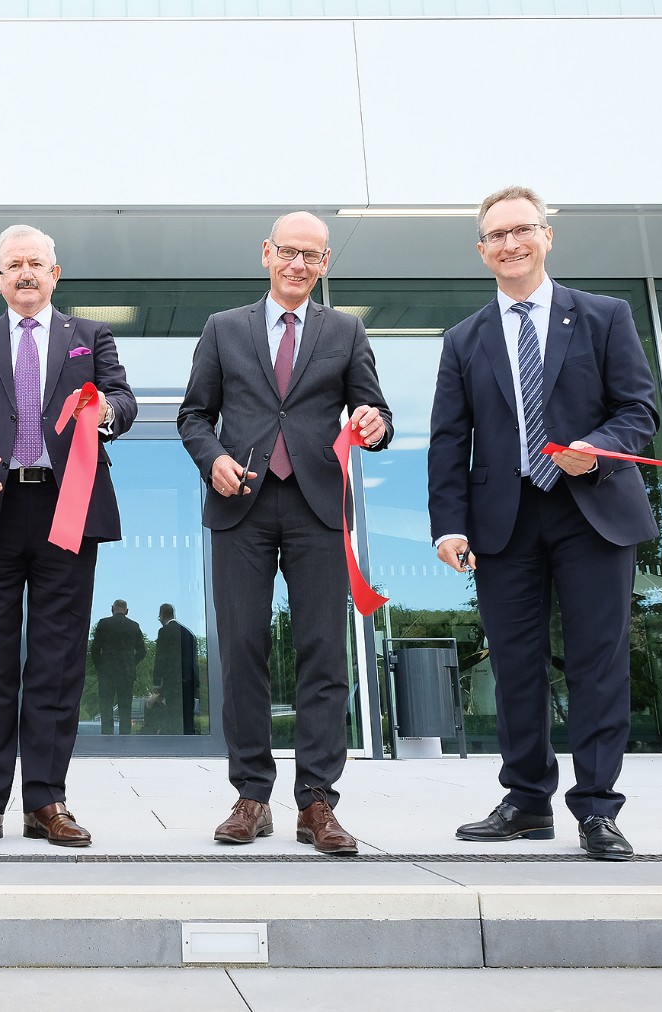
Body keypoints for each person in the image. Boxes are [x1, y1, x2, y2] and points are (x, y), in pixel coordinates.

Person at [428, 186, 659, 861]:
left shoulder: (604, 316)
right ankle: (527, 802)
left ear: (546, 236)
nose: (509, 245)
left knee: (597, 664)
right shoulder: (464, 339)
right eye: (495, 236)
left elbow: (638, 410)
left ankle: (596, 809)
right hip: (506, 521)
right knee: (517, 668)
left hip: (593, 511)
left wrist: (599, 449)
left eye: (520, 231)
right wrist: (449, 525)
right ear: (481, 251)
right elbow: (450, 440)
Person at [178, 211, 391, 854]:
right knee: (240, 649)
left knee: (322, 652)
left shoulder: (347, 330)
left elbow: (373, 407)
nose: (300, 264)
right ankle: (251, 796)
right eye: (290, 252)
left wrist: (375, 424)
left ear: (325, 264)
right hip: (239, 502)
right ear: (267, 253)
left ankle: (317, 803)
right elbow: (194, 415)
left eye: (314, 255)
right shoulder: (223, 328)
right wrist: (211, 456)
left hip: (317, 507)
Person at [0, 224, 137, 849]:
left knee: (57, 659)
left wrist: (108, 413)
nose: (25, 273)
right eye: (13, 264)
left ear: (55, 274)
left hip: (67, 510)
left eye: (36, 264)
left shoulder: (89, 337)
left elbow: (123, 399)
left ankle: (46, 800)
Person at [90, 599, 147, 735]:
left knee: (106, 707)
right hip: (126, 673)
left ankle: (107, 738)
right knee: (125, 709)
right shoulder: (134, 626)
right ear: (127, 611)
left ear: (112, 609)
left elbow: (95, 649)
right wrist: (131, 663)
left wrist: (100, 668)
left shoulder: (104, 624)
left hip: (107, 672)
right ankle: (125, 739)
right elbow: (142, 651)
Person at [149, 603, 198, 735]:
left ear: (162, 615)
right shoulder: (189, 633)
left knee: (173, 715)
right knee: (188, 716)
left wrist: (157, 682)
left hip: (172, 682)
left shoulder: (164, 631)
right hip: (189, 681)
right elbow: (194, 661)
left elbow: (161, 658)